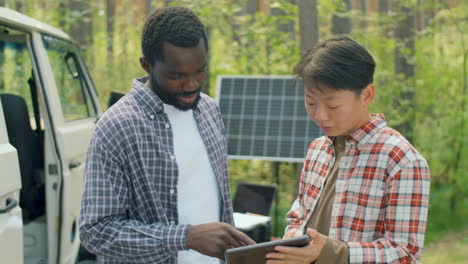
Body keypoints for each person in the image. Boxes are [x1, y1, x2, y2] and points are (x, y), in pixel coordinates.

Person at [79, 6, 254, 264]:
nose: (192, 84)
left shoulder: (209, 109)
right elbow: (96, 232)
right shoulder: (116, 127)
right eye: (177, 75)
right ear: (147, 65)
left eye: (200, 71)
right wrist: (185, 237)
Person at [265, 36, 430, 264]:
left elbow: (405, 252)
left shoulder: (400, 159)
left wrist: (332, 252)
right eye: (311, 103)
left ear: (367, 95)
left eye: (333, 105)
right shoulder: (317, 149)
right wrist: (291, 247)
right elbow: (298, 217)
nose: (320, 115)